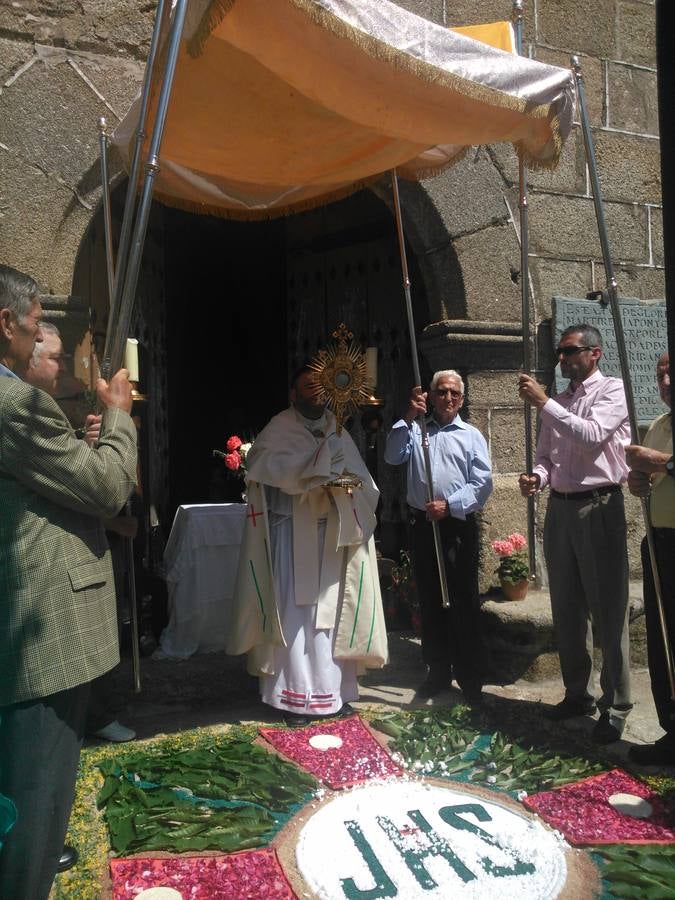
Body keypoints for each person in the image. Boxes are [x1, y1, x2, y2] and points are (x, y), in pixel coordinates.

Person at [0, 264, 137, 899]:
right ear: (6, 325)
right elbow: (107, 489)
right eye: (33, 330)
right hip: (39, 643)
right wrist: (118, 419)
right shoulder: (12, 401)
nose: (38, 343)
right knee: (33, 804)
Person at [227, 364, 388, 727]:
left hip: (332, 533)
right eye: (307, 387)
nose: (315, 393)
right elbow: (263, 463)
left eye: (320, 387)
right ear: (293, 394)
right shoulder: (280, 427)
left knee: (332, 617)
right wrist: (312, 468)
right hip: (292, 533)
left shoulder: (338, 429)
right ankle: (294, 697)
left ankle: (336, 692)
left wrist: (344, 486)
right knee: (295, 617)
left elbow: (363, 481)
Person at [24, 326, 138, 745]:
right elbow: (100, 489)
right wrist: (120, 420)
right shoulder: (23, 407)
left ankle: (98, 712)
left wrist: (92, 445)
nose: (67, 368)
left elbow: (70, 471)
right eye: (57, 358)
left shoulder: (42, 407)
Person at [518, 323, 632, 744]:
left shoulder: (612, 392)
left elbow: (590, 437)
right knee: (566, 608)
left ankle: (616, 704)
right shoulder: (561, 401)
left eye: (569, 352)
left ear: (594, 352)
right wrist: (537, 476)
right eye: (560, 353)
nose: (562, 359)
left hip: (598, 506)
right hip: (560, 509)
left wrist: (544, 402)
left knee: (608, 608)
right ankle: (576, 692)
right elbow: (548, 455)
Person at [384, 369, 492, 706]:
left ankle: (470, 676)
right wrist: (409, 414)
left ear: (462, 399)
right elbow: (392, 455)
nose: (447, 399)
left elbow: (483, 483)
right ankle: (438, 670)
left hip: (455, 525)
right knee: (430, 598)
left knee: (462, 599)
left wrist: (450, 505)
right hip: (423, 525)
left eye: (454, 394)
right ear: (430, 396)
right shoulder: (417, 431)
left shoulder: (471, 435)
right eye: (441, 392)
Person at [625, 352, 675, 765]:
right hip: (659, 542)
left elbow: (666, 464)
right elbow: (652, 478)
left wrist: (654, 462)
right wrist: (639, 481)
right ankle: (670, 731)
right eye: (660, 374)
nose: (665, 380)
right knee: (662, 641)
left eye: (670, 372)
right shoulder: (659, 425)